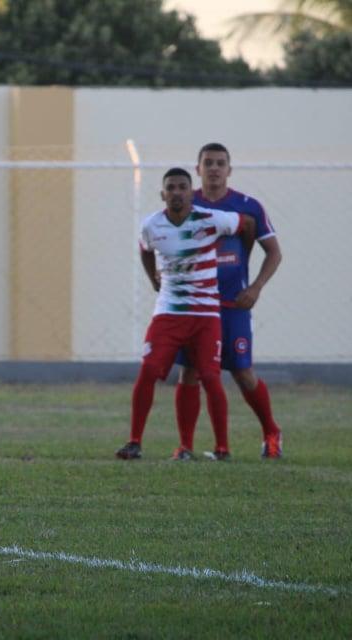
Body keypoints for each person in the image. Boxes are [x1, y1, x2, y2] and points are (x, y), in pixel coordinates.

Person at [116, 168, 255, 462]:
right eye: (171, 188)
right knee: (149, 371)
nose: (177, 192)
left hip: (206, 315)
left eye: (182, 187)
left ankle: (222, 448)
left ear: (191, 193)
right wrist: (154, 279)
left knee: (209, 376)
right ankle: (134, 442)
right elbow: (145, 250)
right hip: (169, 313)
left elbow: (248, 224)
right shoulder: (151, 225)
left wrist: (244, 263)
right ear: (163, 194)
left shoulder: (211, 219)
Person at [174, 143, 284, 460]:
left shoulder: (247, 206)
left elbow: (274, 252)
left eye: (220, 163)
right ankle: (185, 446)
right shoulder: (184, 203)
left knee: (242, 372)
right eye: (207, 163)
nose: (214, 168)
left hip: (232, 305)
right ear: (197, 169)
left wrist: (256, 287)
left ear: (229, 170)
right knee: (190, 371)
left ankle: (271, 432)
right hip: (194, 305)